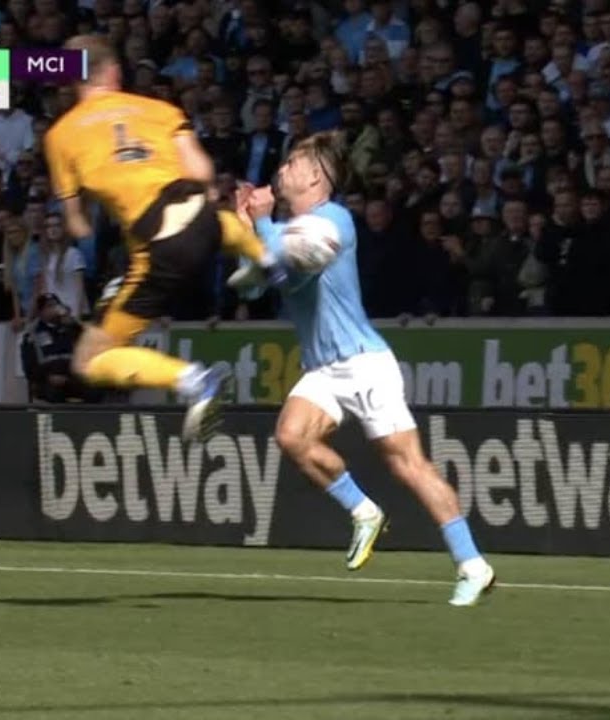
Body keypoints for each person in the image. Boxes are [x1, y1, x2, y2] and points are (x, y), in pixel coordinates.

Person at [233, 131, 496, 606]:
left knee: (408, 465)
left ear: (316, 174)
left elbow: (283, 256)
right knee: (292, 435)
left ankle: (472, 564)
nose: (284, 168)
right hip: (322, 368)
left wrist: (260, 223)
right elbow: (252, 287)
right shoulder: (286, 227)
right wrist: (246, 228)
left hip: (364, 364)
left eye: (294, 162)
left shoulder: (333, 221)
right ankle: (363, 510)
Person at [44, 35, 285, 441]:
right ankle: (263, 256)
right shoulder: (160, 109)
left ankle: (194, 380)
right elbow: (202, 170)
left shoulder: (60, 135)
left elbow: (79, 225)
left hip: (160, 246)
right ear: (116, 72)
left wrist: (97, 208)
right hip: (203, 218)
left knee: (90, 358)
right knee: (209, 213)